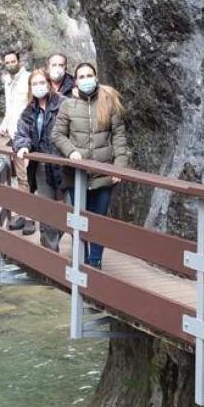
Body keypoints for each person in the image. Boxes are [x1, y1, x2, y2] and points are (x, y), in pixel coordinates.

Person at [51, 62, 128, 268]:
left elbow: (119, 136)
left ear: (96, 77)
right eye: (81, 77)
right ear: (76, 81)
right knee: (80, 220)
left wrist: (119, 166)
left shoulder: (109, 103)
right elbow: (57, 135)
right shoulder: (68, 105)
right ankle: (81, 260)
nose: (86, 80)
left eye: (89, 75)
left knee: (99, 221)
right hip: (77, 175)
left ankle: (95, 261)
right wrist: (71, 151)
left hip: (103, 173)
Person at [13, 68, 66, 247]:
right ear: (30, 87)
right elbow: (21, 132)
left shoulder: (64, 104)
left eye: (42, 82)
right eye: (34, 84)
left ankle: (55, 238)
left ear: (49, 83)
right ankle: (51, 251)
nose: (39, 86)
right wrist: (23, 145)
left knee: (69, 210)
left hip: (64, 164)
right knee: (46, 209)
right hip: (42, 166)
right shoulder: (29, 111)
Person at [0, 49, 31, 230]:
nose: (10, 64)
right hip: (13, 135)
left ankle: (31, 218)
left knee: (28, 176)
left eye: (13, 61)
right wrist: (3, 124)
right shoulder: (7, 82)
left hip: (27, 134)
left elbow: (29, 106)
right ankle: (24, 215)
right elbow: (10, 109)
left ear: (19, 61)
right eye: (7, 62)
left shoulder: (29, 79)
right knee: (21, 177)